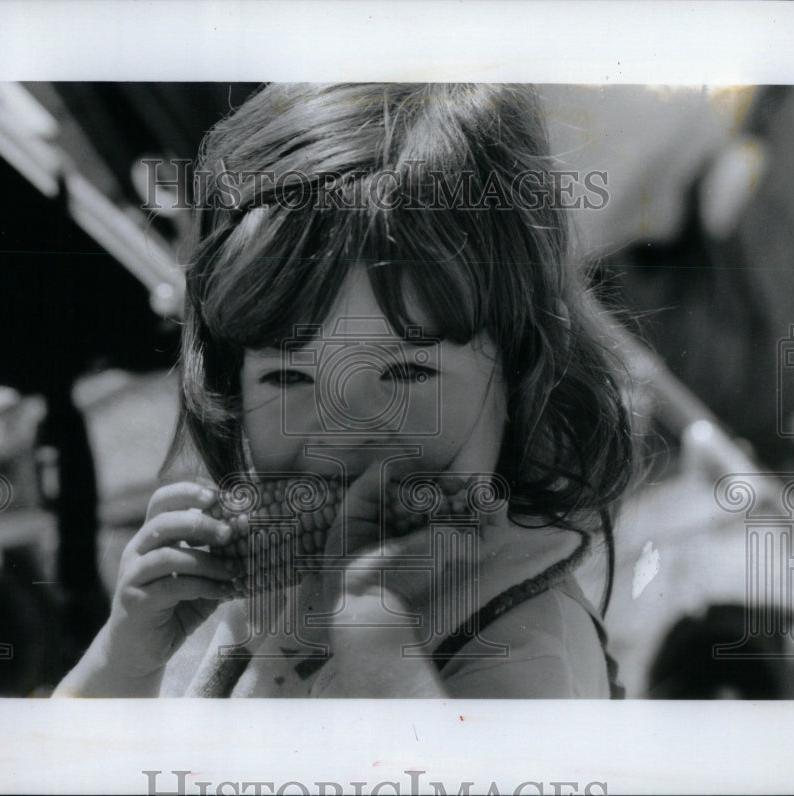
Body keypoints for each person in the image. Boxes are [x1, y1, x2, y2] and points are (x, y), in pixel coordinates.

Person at [55, 83, 633, 698]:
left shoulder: (524, 643)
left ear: (519, 377)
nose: (342, 437)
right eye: (289, 376)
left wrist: (377, 648)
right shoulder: (270, 597)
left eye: (408, 373)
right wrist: (123, 663)